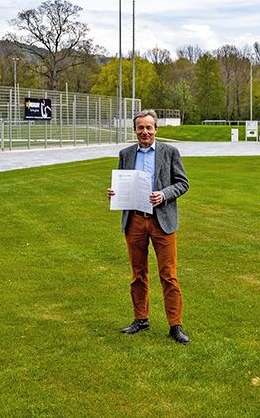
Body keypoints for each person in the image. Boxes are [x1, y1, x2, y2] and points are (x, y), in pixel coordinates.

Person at [107, 110, 190, 344]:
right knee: (138, 274)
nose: (144, 132)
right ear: (134, 130)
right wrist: (114, 192)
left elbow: (183, 183)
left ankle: (175, 325)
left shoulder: (170, 152)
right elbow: (122, 182)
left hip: (161, 221)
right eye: (140, 128)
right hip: (134, 220)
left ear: (156, 129)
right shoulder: (126, 154)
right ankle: (140, 319)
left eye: (149, 128)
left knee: (169, 275)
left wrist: (163, 194)